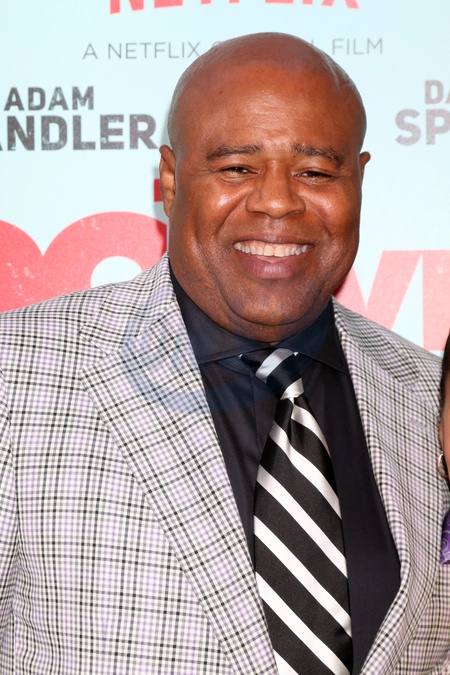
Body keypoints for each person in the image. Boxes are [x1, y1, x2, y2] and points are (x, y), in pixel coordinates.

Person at [0, 32, 449, 675]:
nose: (277, 200)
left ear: (359, 179)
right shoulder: (17, 374)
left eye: (316, 172)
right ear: (170, 179)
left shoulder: (428, 394)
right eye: (237, 167)